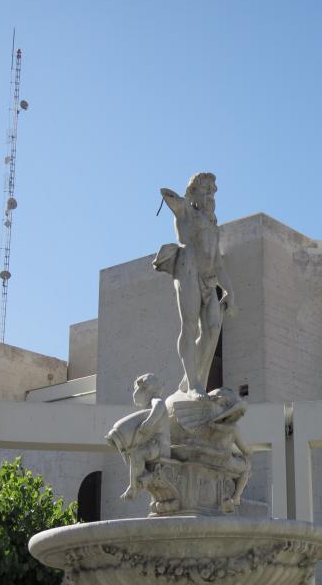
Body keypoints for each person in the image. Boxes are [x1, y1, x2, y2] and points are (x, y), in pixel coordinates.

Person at [153, 173, 236, 397]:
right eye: (206, 189)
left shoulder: (213, 226)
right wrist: (177, 199)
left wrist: (229, 290)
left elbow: (218, 263)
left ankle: (191, 378)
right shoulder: (186, 211)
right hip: (189, 271)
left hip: (209, 280)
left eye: (212, 190)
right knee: (189, 326)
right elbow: (168, 196)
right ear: (194, 193)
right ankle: (192, 384)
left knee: (211, 331)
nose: (211, 194)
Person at [105, 373, 170, 500]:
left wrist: (149, 422)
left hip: (161, 446)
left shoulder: (155, 400)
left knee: (137, 454)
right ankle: (136, 480)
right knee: (129, 451)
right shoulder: (147, 408)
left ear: (148, 391)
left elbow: (160, 406)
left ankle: (134, 485)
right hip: (152, 445)